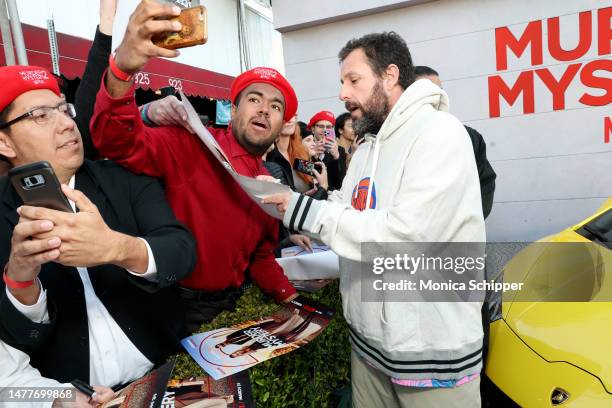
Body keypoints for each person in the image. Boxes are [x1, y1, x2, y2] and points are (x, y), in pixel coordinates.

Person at [264, 32, 485, 408]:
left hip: (428, 349)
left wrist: (306, 212)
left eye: (354, 80)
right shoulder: (368, 145)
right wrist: (296, 205)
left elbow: (405, 237)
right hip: (369, 344)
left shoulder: (440, 134)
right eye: (341, 82)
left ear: (390, 75)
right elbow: (350, 210)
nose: (343, 93)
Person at [89, 1, 297, 333]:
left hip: (230, 307)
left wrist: (290, 297)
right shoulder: (193, 143)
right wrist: (122, 72)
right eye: (254, 99)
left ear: (281, 123)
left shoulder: (270, 184)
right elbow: (115, 141)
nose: (264, 110)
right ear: (234, 107)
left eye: (275, 106)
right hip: (173, 306)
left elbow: (261, 256)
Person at [0, 65, 196, 406]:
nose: (66, 123)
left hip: (166, 373)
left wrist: (118, 248)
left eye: (63, 109)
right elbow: (12, 351)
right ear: (4, 141)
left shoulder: (124, 178)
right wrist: (20, 281)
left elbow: (182, 251)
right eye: (41, 115)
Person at [413, 66, 496, 219]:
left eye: (440, 91)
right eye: (429, 93)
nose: (437, 98)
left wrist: (466, 223)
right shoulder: (395, 140)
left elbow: (485, 183)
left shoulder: (470, 137)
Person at [307, 110, 346, 191]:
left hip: (332, 197)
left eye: (328, 127)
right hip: (312, 196)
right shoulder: (306, 148)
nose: (325, 130)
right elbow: (303, 176)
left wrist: (337, 156)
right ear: (313, 129)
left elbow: (341, 182)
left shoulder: (340, 150)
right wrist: (312, 156)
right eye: (321, 126)